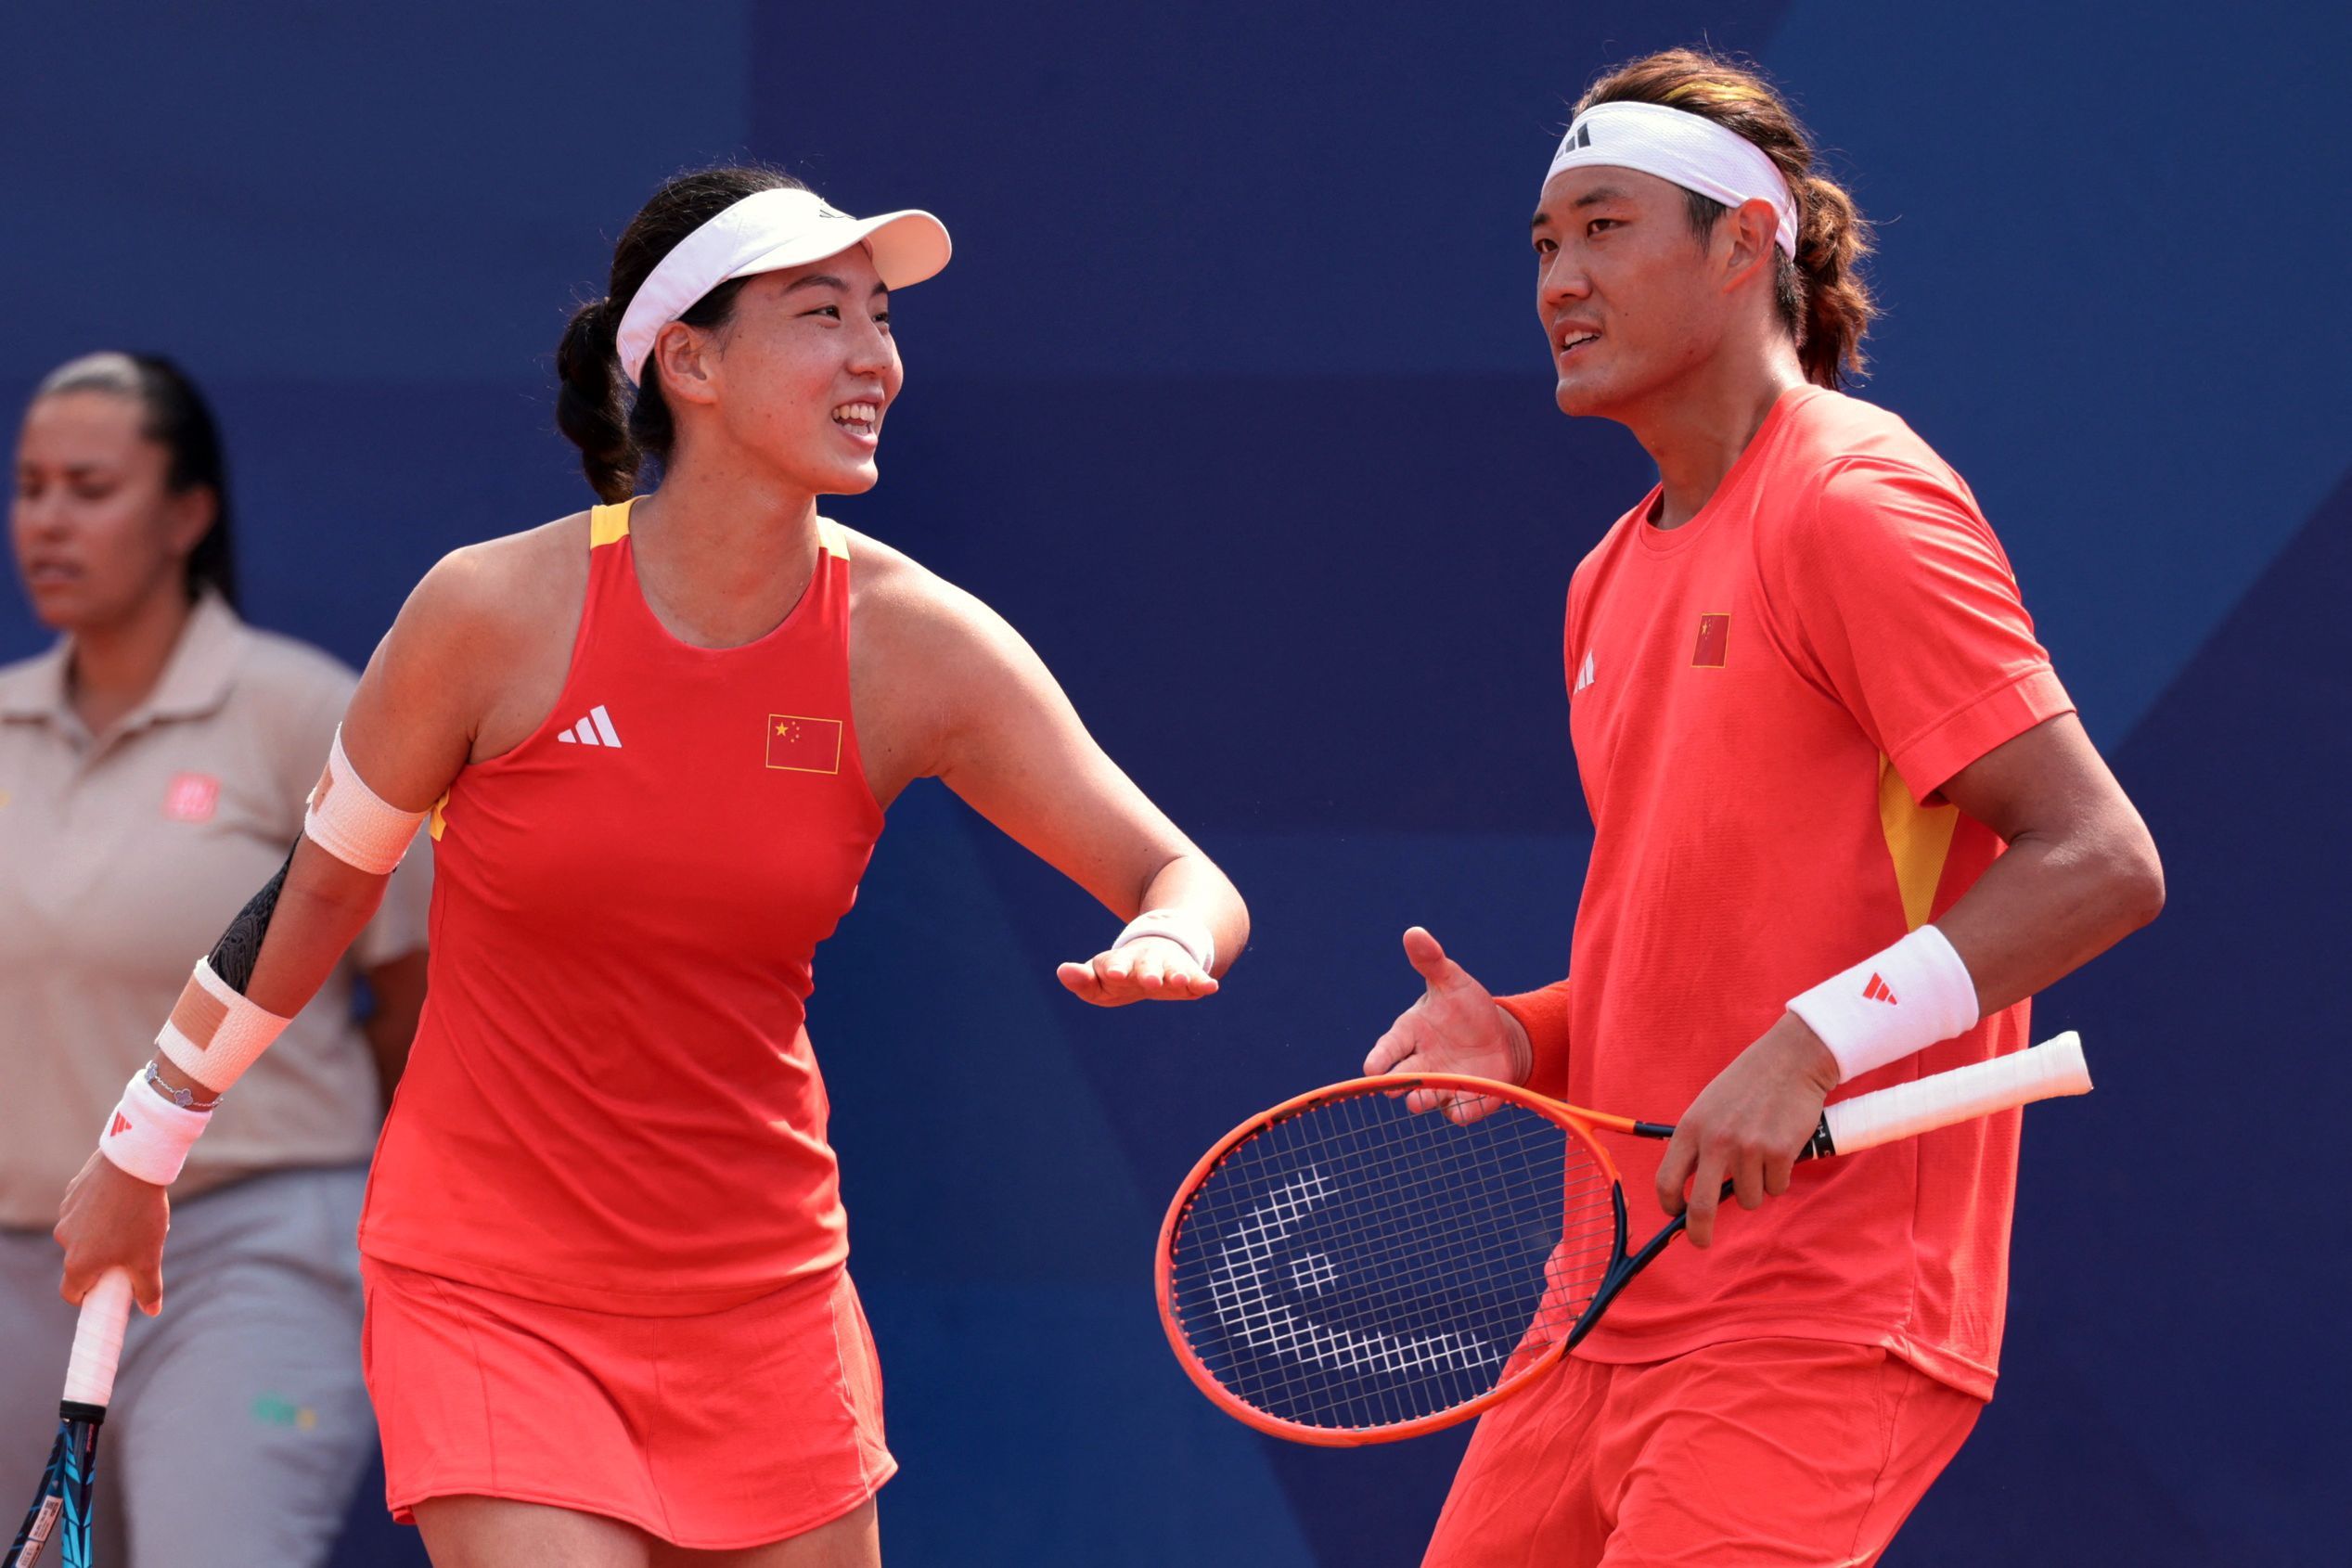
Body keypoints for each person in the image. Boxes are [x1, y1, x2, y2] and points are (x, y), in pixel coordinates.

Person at [49, 167, 1247, 1568]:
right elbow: (320, 890)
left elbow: (1180, 872)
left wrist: (1172, 933)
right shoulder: (490, 613)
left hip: (767, 1303)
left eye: (880, 317)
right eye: (823, 314)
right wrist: (144, 1142)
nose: (877, 357)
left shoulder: (918, 647)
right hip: (490, 1289)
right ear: (690, 358)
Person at [1362, 50, 2164, 1566]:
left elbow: (2102, 860)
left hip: (1814, 1324)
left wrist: (1814, 1045)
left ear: (1748, 243)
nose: (1559, 280)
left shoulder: (1855, 503)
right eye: (1544, 244)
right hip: (1599, 1314)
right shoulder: (1605, 579)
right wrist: (1534, 1031)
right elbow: (1723, 936)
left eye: (1605, 228)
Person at [2, 351, 431, 1566]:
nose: (48, 519)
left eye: (89, 487)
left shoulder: (303, 714)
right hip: (17, 1263)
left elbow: (421, 1005)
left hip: (254, 1250)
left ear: (188, 512)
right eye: (30, 487)